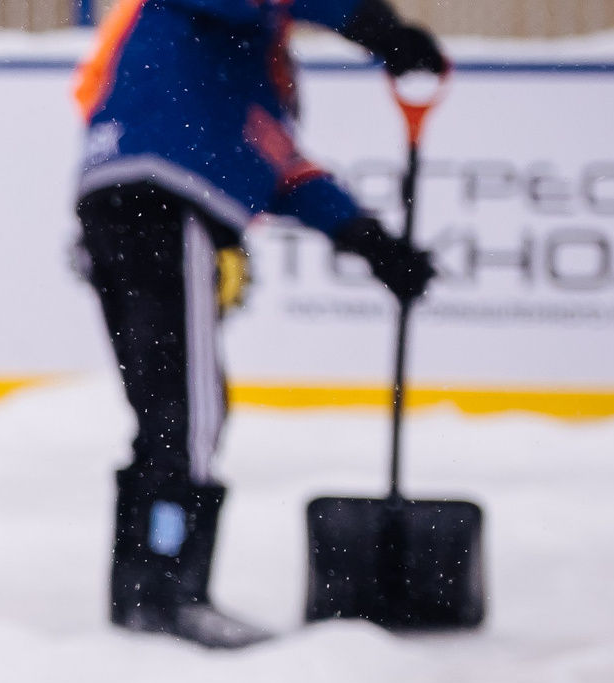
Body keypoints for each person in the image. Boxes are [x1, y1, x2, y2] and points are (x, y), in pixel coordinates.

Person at [74, 0, 444, 648]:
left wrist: (370, 242)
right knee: (192, 414)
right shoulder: (214, 17)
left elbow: (281, 165)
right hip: (167, 199)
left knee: (169, 410)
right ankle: (171, 594)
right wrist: (372, 25)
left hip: (117, 202)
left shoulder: (241, 62)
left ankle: (142, 592)